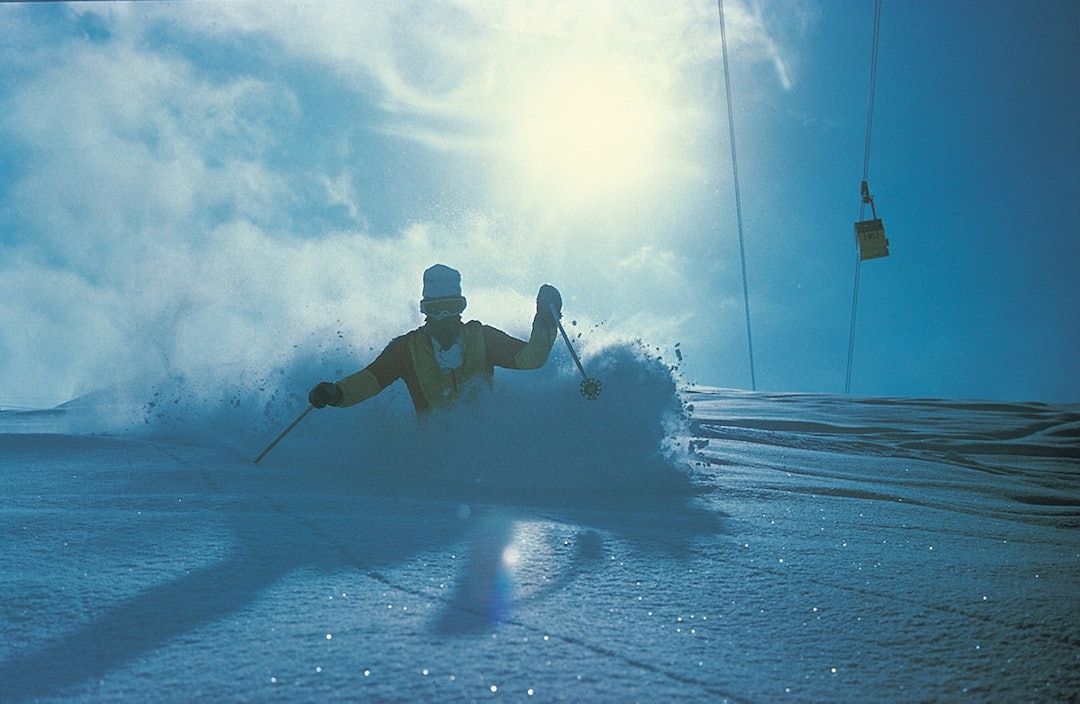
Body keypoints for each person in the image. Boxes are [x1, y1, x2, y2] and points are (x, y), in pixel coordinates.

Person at [308, 264, 563, 414]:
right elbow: (370, 380)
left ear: (461, 308)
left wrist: (545, 321)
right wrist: (337, 392)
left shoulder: (482, 338)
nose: (444, 317)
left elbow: (531, 358)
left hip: (482, 445)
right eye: (435, 310)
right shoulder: (407, 350)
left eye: (451, 307)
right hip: (435, 451)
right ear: (425, 311)